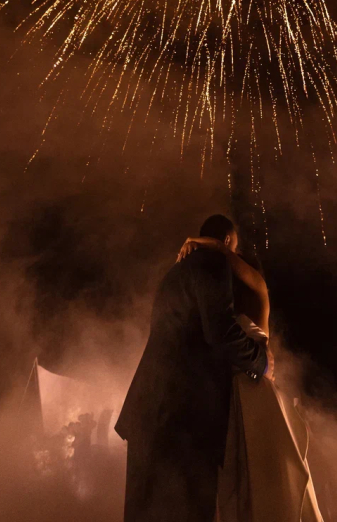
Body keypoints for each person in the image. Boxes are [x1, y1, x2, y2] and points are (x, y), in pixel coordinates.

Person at [115, 214, 270, 522]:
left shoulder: (174, 273)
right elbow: (220, 331)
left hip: (148, 411)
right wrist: (260, 363)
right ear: (226, 242)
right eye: (234, 248)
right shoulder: (214, 264)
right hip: (182, 417)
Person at [176, 234, 324, 522]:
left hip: (255, 393)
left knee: (263, 481)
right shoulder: (227, 309)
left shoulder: (258, 289)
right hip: (236, 393)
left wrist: (211, 244)